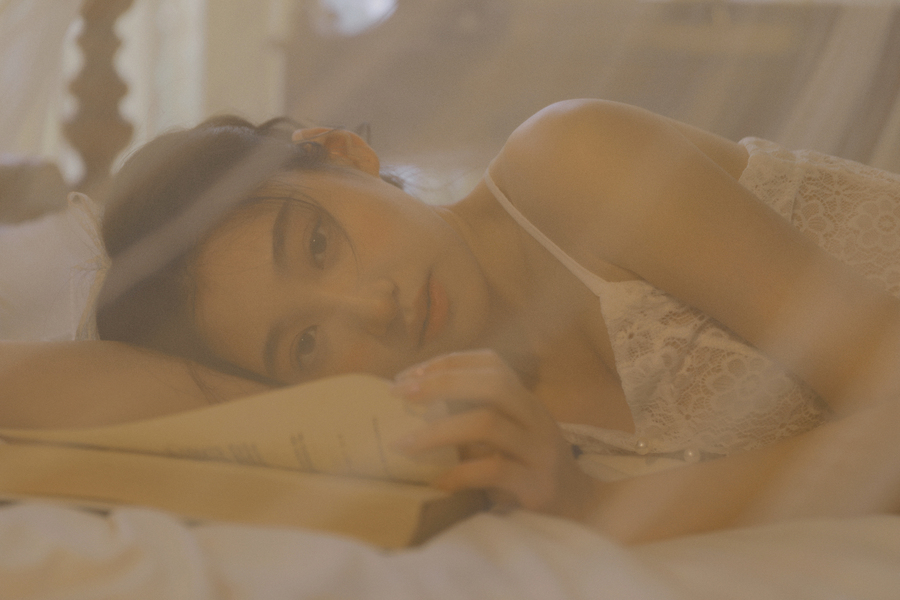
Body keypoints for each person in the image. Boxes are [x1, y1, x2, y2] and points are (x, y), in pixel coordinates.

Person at [2, 99, 900, 542]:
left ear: (343, 153)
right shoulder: (453, 434)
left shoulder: (571, 163)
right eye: (306, 343)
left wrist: (599, 510)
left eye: (318, 244)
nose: (373, 307)